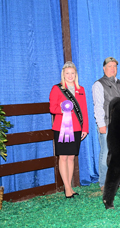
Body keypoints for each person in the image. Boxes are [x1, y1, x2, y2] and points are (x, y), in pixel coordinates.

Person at [49, 61, 89, 198]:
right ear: (63, 74)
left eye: (72, 73)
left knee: (71, 157)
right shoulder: (57, 88)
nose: (70, 76)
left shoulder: (81, 89)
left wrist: (85, 128)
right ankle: (67, 188)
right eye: (67, 73)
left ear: (75, 74)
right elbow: (52, 108)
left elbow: (84, 110)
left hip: (77, 128)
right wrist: (61, 109)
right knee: (63, 157)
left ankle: (70, 186)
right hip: (61, 128)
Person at [92, 57, 120, 191]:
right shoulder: (98, 84)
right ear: (104, 68)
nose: (113, 68)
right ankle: (103, 182)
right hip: (108, 124)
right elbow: (98, 106)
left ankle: (118, 181)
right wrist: (101, 124)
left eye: (115, 66)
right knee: (106, 153)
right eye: (110, 66)